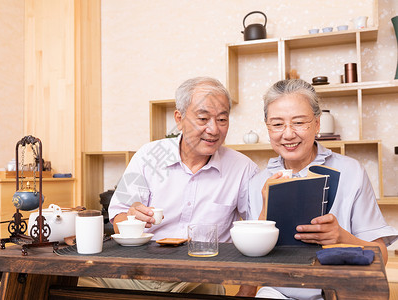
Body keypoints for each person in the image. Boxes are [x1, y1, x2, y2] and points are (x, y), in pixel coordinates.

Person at [79, 76, 259, 295]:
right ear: (179, 118)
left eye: (222, 119)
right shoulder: (148, 155)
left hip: (199, 279)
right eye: (203, 119)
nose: (213, 129)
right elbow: (117, 219)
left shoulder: (242, 169)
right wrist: (133, 217)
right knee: (81, 281)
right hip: (136, 273)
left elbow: (258, 233)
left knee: (207, 288)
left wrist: (246, 293)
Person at [239, 79, 398, 299]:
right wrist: (266, 207)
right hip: (275, 293)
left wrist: (340, 236)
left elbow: (381, 255)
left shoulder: (351, 172)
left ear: (317, 124)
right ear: (267, 127)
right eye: (277, 124)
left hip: (338, 292)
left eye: (299, 122)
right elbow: (253, 260)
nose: (287, 134)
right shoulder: (258, 182)